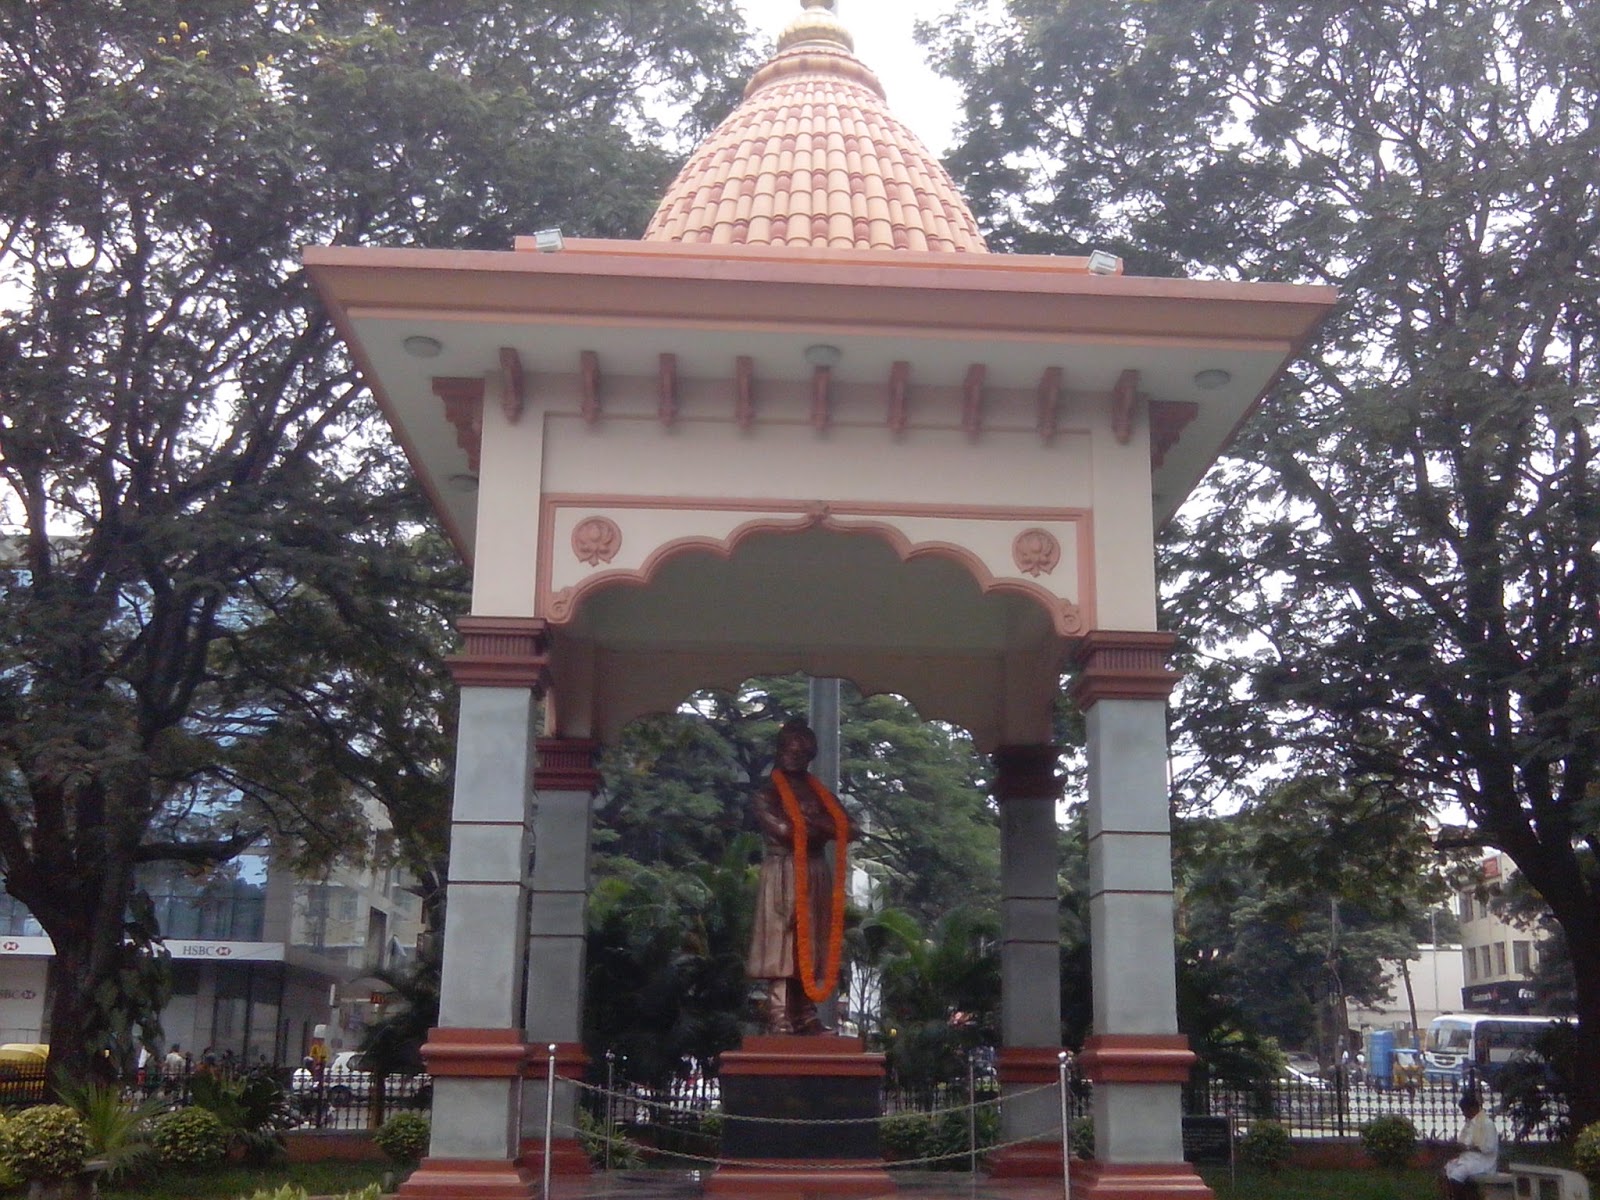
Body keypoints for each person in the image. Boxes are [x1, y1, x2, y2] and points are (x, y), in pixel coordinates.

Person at [747, 717, 857, 1035]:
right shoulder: (767, 793)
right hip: (783, 869)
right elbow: (786, 831)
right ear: (779, 751)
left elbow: (850, 829)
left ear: (810, 756)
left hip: (815, 870)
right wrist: (822, 824)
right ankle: (779, 1014)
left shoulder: (820, 793)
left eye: (800, 753)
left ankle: (805, 1015)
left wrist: (815, 821)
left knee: (811, 941)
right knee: (782, 939)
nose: (792, 757)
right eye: (787, 750)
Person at [1440, 1089, 1499, 1199]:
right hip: (1469, 1158)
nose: (1463, 1114)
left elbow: (1489, 1148)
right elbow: (1463, 1142)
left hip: (1482, 1161)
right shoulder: (1469, 1124)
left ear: (1473, 1108)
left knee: (1456, 1176)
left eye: (1464, 1110)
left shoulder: (1486, 1124)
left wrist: (1468, 1148)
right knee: (1446, 1170)